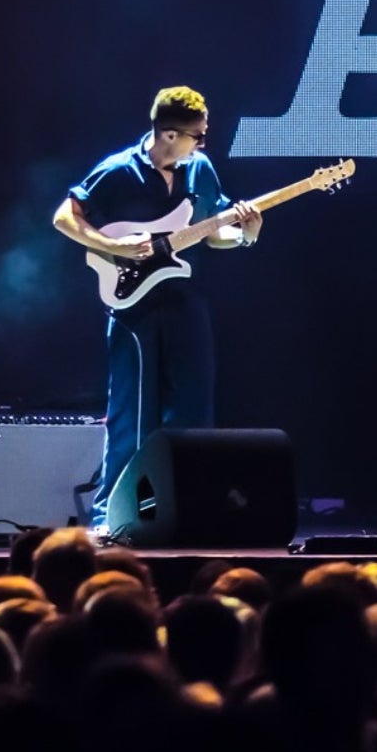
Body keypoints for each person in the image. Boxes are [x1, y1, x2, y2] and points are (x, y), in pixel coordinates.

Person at [52, 87, 260, 535]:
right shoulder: (117, 170)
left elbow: (213, 234)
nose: (203, 144)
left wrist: (244, 233)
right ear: (168, 134)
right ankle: (114, 516)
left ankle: (192, 507)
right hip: (133, 308)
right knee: (133, 413)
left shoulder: (200, 170)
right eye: (196, 136)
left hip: (186, 300)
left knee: (194, 408)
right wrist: (112, 245)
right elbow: (64, 218)